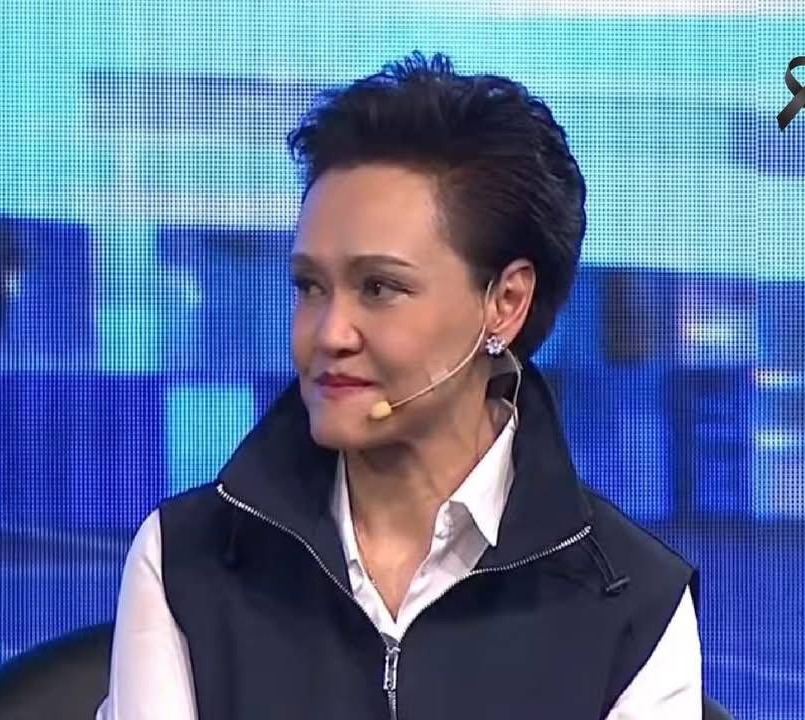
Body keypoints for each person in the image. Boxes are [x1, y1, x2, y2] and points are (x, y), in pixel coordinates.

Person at [96, 52, 701, 719]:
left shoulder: (632, 606)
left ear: (505, 304)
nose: (329, 333)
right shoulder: (185, 561)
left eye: (379, 287)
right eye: (310, 286)